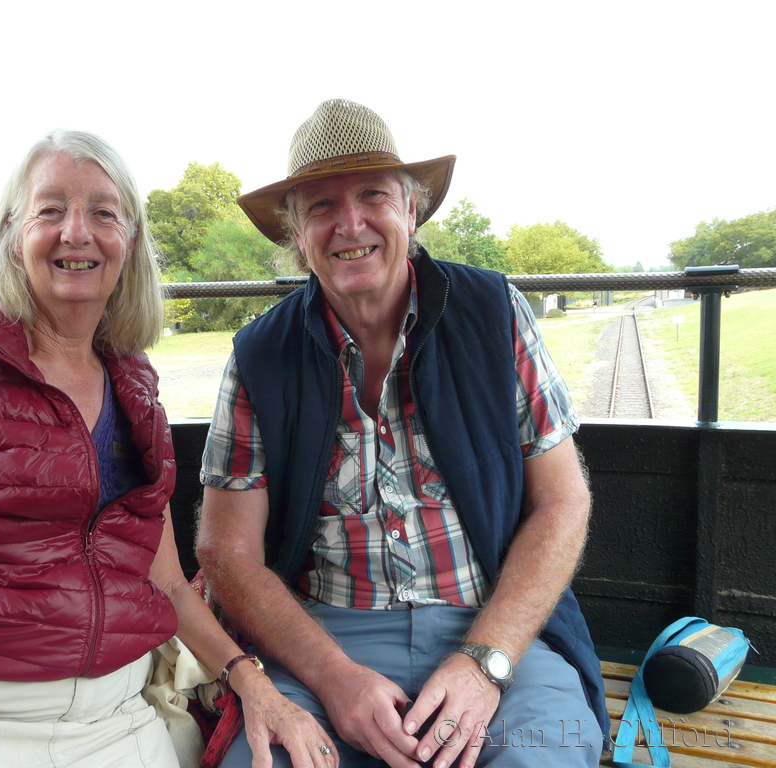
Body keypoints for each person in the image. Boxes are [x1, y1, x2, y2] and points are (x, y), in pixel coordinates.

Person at [0, 129, 333, 768]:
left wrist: (251, 681)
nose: (77, 232)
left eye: (104, 214)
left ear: (130, 241)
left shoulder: (133, 384)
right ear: (14, 233)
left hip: (111, 718)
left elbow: (168, 584)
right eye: (51, 210)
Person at [196, 100, 609, 768]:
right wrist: (333, 677)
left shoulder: (494, 312)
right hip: (327, 640)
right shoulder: (259, 355)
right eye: (321, 206)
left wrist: (485, 661)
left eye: (373, 195)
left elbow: (564, 501)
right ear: (296, 233)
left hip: (494, 628)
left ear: (411, 211)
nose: (350, 223)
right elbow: (226, 551)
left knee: (543, 757)